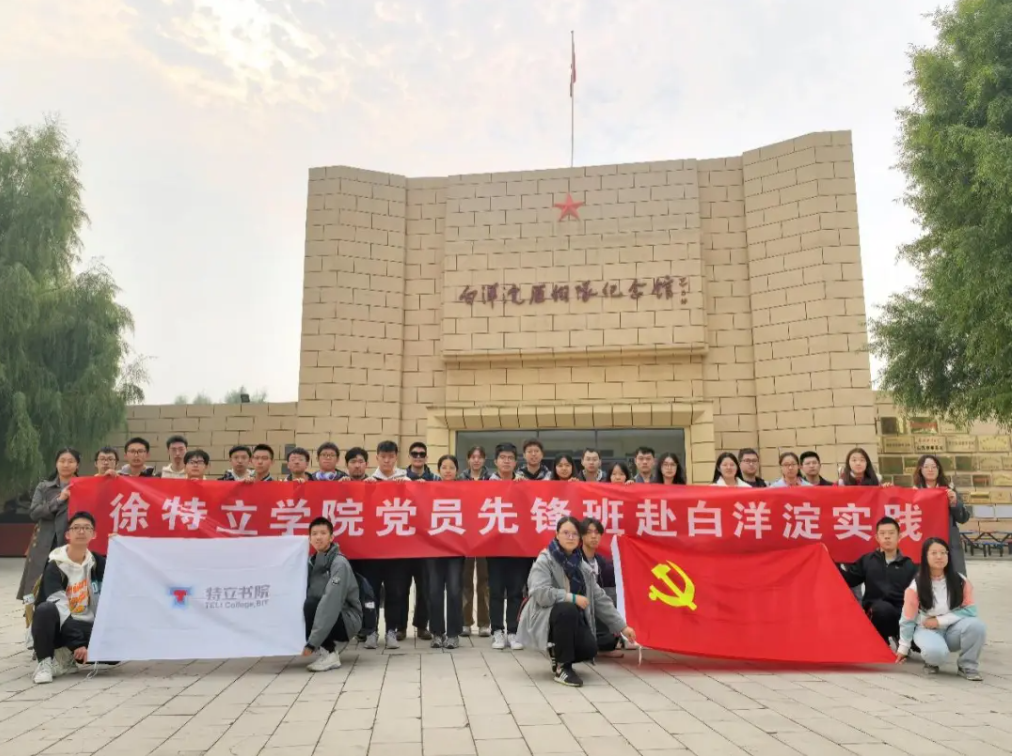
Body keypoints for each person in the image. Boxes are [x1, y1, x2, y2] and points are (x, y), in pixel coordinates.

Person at [516, 516, 636, 687]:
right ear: (557, 535)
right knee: (568, 608)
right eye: (566, 533)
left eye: (574, 534)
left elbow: (599, 598)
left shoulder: (581, 565)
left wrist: (622, 627)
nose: (570, 537)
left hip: (570, 620)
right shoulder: (545, 560)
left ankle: (557, 652)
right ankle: (562, 668)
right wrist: (571, 597)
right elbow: (540, 593)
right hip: (544, 616)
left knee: (590, 648)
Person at [31, 511, 106, 684]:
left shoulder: (98, 563)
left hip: (85, 623)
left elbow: (114, 592)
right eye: (76, 527)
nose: (81, 531)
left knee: (115, 651)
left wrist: (119, 545)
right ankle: (45, 663)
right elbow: (60, 607)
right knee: (45, 609)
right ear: (67, 534)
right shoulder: (55, 565)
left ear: (94, 534)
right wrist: (77, 643)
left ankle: (66, 656)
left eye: (86, 528)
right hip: (59, 624)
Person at [896, 537, 985, 681]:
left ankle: (967, 665)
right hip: (926, 629)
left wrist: (939, 621)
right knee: (936, 654)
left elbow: (971, 611)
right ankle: (932, 660)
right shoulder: (916, 585)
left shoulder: (960, 581)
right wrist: (903, 648)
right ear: (925, 557)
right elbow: (907, 619)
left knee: (977, 626)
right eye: (934, 553)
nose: (939, 557)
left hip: (952, 630)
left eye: (943, 553)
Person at [361, 441, 411, 649]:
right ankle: (371, 631)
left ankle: (391, 630)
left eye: (391, 456)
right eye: (383, 456)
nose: (387, 460)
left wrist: (408, 489)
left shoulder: (405, 480)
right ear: (377, 458)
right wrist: (367, 490)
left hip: (397, 551)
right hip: (372, 550)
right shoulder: (368, 481)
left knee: (395, 592)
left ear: (396, 457)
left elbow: (418, 507)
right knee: (370, 593)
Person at [838, 516, 917, 646]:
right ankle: (881, 641)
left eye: (891, 533)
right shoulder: (867, 560)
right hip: (876, 611)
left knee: (923, 644)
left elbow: (919, 593)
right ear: (877, 538)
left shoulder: (908, 565)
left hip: (902, 614)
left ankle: (902, 637)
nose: (887, 537)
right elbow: (849, 580)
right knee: (882, 610)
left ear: (899, 537)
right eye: (883, 533)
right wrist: (831, 562)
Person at [18, 448, 81, 606]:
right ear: (56, 464)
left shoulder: (83, 487)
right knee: (37, 589)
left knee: (67, 588)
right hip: (44, 544)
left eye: (70, 461)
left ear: (77, 465)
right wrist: (59, 500)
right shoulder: (44, 487)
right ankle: (35, 618)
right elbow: (34, 513)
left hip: (71, 544)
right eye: (62, 461)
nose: (66, 465)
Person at [302, 517, 363, 672]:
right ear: (309, 539)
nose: (318, 537)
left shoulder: (339, 564)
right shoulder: (311, 562)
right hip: (329, 614)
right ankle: (324, 648)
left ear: (331, 537)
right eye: (314, 534)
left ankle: (329, 653)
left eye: (323, 533)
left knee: (311, 605)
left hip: (347, 619)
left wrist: (312, 642)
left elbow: (331, 603)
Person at [487, 442, 529, 651]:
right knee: (496, 591)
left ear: (515, 462)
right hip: (494, 547)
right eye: (502, 458)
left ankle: (513, 631)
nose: (506, 461)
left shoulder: (524, 484)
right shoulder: (485, 485)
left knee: (515, 591)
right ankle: (497, 630)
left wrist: (525, 488)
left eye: (510, 458)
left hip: (518, 548)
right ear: (495, 461)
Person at [426, 455, 465, 649]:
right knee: (434, 591)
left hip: (456, 550)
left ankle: (453, 633)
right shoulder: (429, 489)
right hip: (434, 548)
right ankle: (436, 632)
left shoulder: (464, 490)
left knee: (455, 591)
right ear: (439, 470)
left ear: (457, 470)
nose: (448, 470)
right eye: (444, 467)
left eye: (451, 467)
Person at [913, 455, 971, 577]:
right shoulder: (914, 492)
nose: (930, 470)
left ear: (939, 469)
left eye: (934, 467)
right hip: (924, 543)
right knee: (926, 579)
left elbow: (963, 518)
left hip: (949, 544)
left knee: (953, 579)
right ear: (920, 470)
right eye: (926, 467)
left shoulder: (949, 490)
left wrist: (954, 503)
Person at [580, 517, 623, 657]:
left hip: (597, 608)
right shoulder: (574, 559)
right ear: (582, 536)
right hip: (580, 607)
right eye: (589, 532)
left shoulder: (600, 562)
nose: (594, 536)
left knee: (615, 594)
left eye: (597, 532)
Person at [460, 445, 491, 639]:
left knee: (484, 581)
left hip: (486, 535)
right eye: (473, 457)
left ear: (484, 459)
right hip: (465, 536)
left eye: (479, 457)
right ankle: (465, 622)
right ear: (468, 459)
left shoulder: (492, 480)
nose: (476, 460)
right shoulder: (459, 479)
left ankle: (484, 623)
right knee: (465, 581)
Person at [405, 442, 434, 640]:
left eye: (421, 454)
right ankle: (399, 627)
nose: (418, 457)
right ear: (409, 457)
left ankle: (422, 625)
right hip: (404, 542)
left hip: (426, 543)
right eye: (414, 454)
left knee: (425, 588)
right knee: (400, 588)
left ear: (426, 457)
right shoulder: (400, 478)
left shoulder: (435, 479)